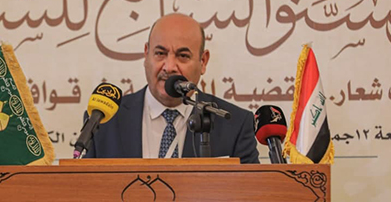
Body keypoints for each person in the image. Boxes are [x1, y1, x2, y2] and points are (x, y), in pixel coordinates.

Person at [84, 13, 260, 163]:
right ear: (146, 54)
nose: (169, 67)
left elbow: (253, 191)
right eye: (160, 53)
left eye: (182, 56)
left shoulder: (235, 125)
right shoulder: (104, 120)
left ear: (203, 61)